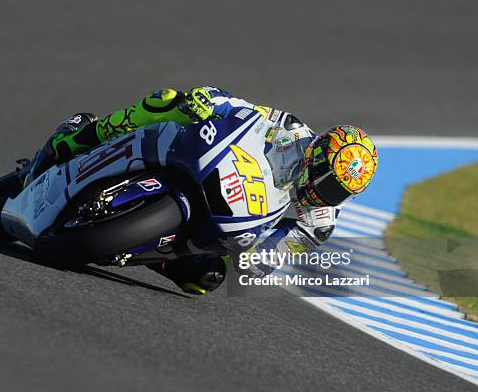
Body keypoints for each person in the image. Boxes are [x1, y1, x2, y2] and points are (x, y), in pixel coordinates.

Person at [33, 87, 378, 295]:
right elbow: (241, 107)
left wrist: (256, 256)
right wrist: (209, 100)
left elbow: (262, 263)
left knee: (207, 278)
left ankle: (144, 251)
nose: (323, 191)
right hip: (229, 166)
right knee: (167, 100)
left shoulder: (320, 223)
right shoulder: (292, 129)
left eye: (337, 191)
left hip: (238, 217)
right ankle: (85, 137)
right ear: (315, 155)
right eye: (325, 178)